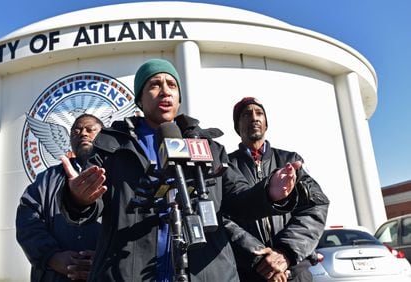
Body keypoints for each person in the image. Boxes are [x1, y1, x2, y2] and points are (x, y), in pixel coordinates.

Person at [59, 58, 303, 282]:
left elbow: (236, 199)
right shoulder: (111, 146)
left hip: (206, 272)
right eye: (155, 84)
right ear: (139, 100)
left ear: (178, 98)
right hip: (129, 272)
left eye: (171, 85)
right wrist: (77, 199)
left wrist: (268, 193)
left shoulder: (210, 148)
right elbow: (90, 204)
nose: (165, 90)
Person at [224, 97, 330, 282]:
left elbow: (316, 205)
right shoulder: (227, 166)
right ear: (237, 126)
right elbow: (222, 217)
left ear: (266, 123)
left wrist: (285, 253)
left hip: (295, 272)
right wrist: (260, 258)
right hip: (251, 274)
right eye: (247, 114)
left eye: (259, 113)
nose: (254, 118)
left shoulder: (290, 160)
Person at [16, 114, 104, 282]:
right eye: (76, 131)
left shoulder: (119, 174)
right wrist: (51, 256)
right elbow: (27, 220)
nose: (83, 134)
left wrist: (106, 258)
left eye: (90, 129)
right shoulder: (47, 179)